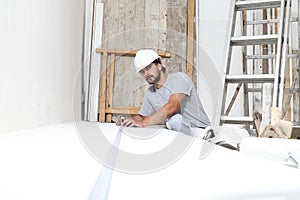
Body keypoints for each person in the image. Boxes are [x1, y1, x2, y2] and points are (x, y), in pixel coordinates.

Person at [115, 49, 210, 136]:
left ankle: (205, 137)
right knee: (170, 124)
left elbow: (172, 107)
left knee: (175, 120)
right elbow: (142, 117)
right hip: (178, 132)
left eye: (148, 68)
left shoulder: (179, 78)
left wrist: (144, 123)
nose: (146, 73)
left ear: (159, 66)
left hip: (200, 130)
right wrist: (130, 121)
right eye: (142, 71)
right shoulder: (150, 93)